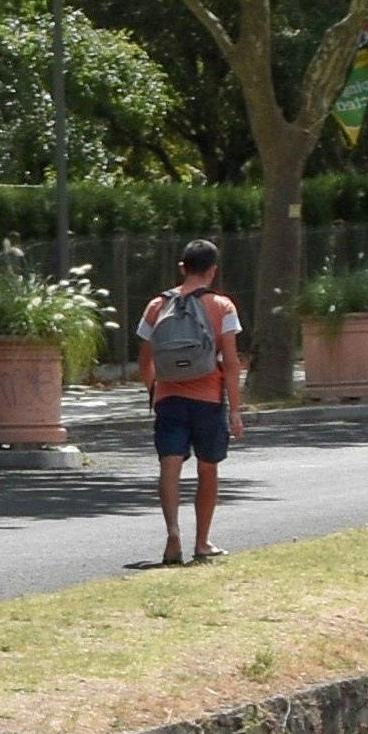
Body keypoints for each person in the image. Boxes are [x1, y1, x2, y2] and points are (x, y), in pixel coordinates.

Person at [137, 238, 243, 564]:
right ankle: (202, 542)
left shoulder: (157, 305)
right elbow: (231, 361)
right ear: (212, 271)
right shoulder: (223, 306)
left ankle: (172, 532)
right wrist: (236, 410)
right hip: (208, 399)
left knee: (170, 464)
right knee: (207, 468)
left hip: (169, 397)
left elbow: (144, 361)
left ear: (183, 268)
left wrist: (155, 389)